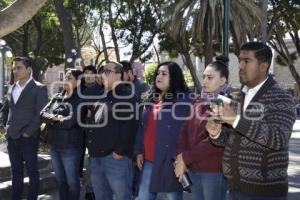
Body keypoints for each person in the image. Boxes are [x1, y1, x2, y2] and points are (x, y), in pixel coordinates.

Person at [207, 42, 296, 200]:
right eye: (239, 60)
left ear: (263, 66)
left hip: (264, 194)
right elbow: (232, 138)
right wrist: (216, 133)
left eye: (246, 61)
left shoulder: (282, 97)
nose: (240, 65)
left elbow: (278, 139)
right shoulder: (238, 96)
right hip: (233, 189)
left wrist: (235, 119)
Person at [134, 62, 192, 200]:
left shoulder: (185, 100)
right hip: (149, 160)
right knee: (143, 197)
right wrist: (138, 151)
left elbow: (189, 132)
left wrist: (183, 158)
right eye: (158, 73)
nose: (159, 76)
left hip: (170, 161)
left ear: (174, 78)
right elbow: (142, 128)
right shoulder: (150, 98)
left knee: (173, 197)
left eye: (164, 74)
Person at [174, 56, 229, 200]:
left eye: (210, 77)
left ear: (223, 80)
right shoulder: (198, 100)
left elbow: (213, 142)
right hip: (192, 167)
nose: (204, 81)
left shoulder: (225, 103)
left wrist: (185, 158)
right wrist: (180, 156)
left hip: (213, 171)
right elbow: (184, 130)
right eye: (204, 77)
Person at [86, 61, 138, 200]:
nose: (103, 74)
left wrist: (119, 151)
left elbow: (130, 126)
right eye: (102, 71)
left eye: (107, 71)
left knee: (122, 196)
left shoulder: (127, 95)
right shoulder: (101, 96)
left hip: (114, 159)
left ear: (118, 75)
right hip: (95, 157)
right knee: (101, 196)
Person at [0, 56, 48, 200]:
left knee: (32, 171)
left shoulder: (39, 88)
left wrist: (28, 132)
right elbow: (5, 109)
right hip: (12, 136)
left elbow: (41, 113)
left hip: (28, 137)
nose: (15, 70)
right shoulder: (11, 88)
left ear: (29, 70)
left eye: (19, 67)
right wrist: (4, 125)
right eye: (14, 68)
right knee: (16, 171)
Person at [40, 69, 83, 200]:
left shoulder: (80, 100)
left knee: (72, 182)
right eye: (65, 77)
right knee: (60, 181)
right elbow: (42, 113)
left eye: (69, 78)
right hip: (54, 146)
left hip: (70, 148)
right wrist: (55, 118)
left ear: (78, 82)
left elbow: (70, 122)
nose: (65, 80)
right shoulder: (57, 96)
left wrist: (52, 119)